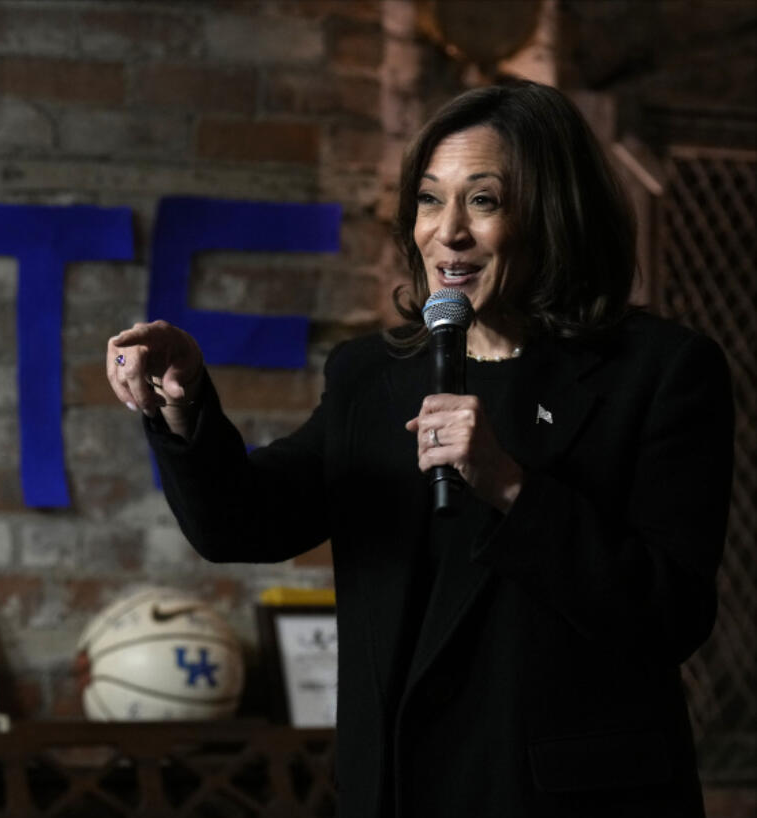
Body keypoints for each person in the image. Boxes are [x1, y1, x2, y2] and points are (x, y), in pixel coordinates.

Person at [105, 80, 733, 818]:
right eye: (431, 200)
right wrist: (185, 407)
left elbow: (671, 615)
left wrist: (510, 489)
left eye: (486, 200)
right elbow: (241, 522)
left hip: (563, 799)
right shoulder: (373, 375)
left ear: (556, 214)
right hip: (402, 792)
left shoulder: (660, 373)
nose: (449, 232)